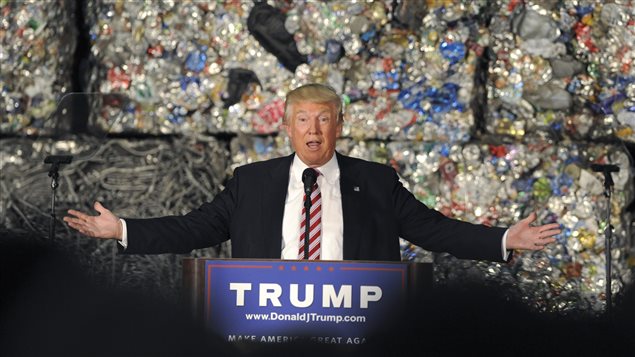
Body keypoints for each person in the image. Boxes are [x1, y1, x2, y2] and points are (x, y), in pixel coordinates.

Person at [64, 83, 560, 262]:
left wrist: (502, 240)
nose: (314, 130)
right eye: (303, 120)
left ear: (340, 125)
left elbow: (432, 230)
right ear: (286, 126)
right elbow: (196, 227)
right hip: (266, 326)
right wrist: (121, 228)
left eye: (324, 119)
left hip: (355, 328)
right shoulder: (252, 181)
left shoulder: (378, 182)